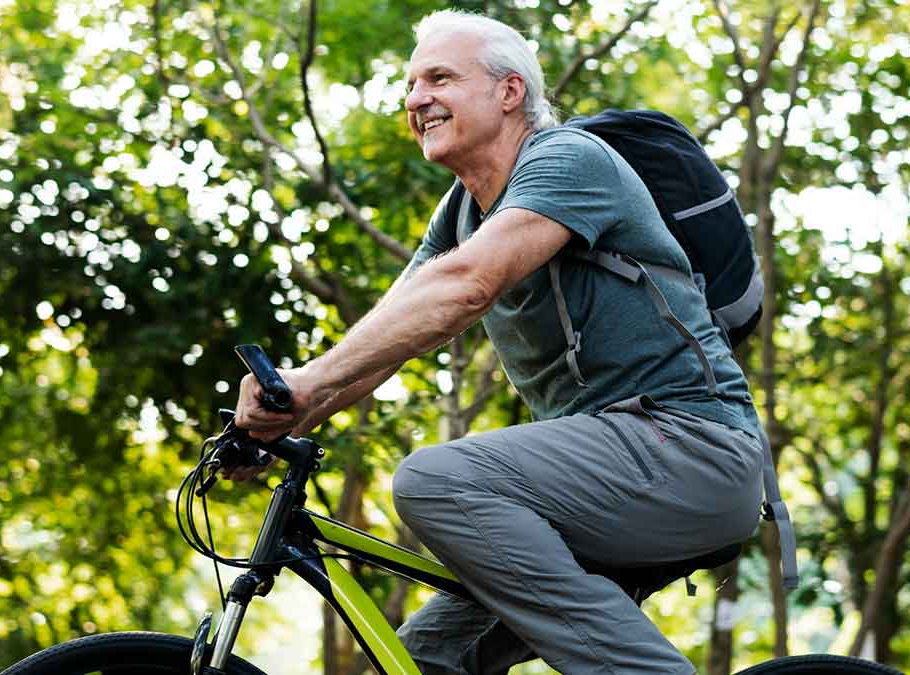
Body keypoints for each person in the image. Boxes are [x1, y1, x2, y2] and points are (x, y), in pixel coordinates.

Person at [232, 10, 765, 674]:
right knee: (420, 658)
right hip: (607, 485)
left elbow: (467, 284)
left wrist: (307, 379)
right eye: (410, 85)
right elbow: (393, 333)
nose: (416, 98)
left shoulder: (568, 160)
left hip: (692, 449)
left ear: (509, 92)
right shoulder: (460, 212)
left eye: (439, 78)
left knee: (434, 480)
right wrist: (281, 417)